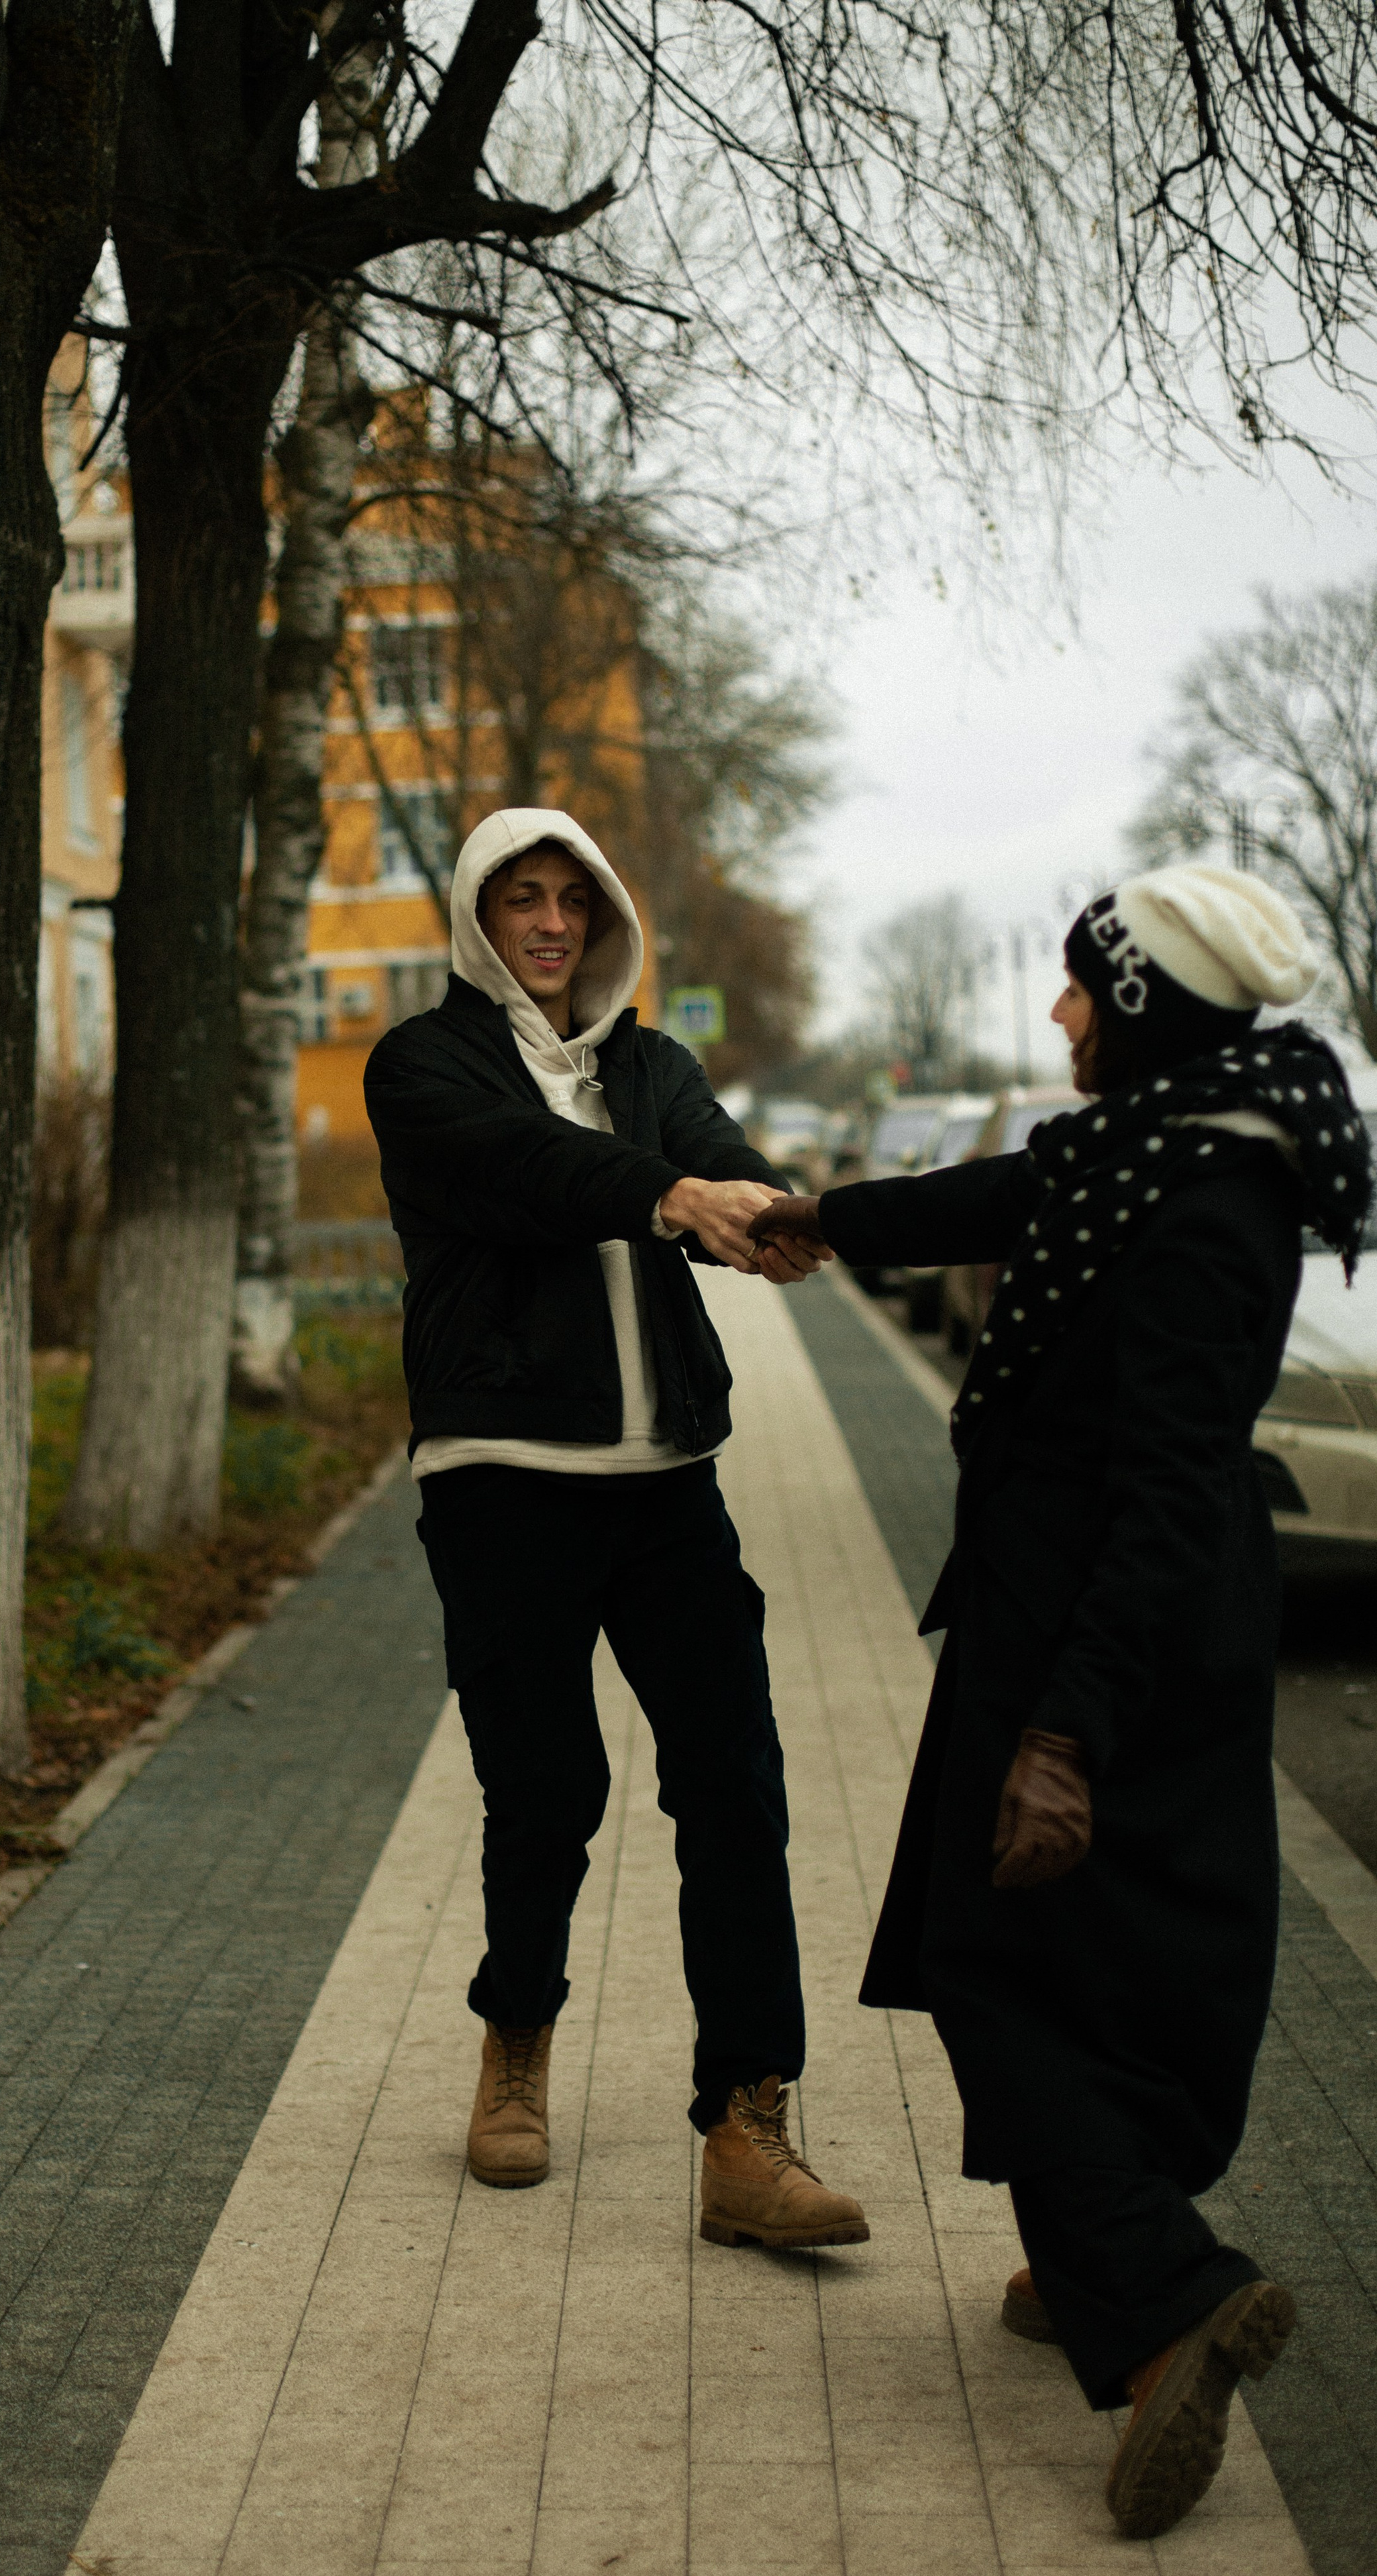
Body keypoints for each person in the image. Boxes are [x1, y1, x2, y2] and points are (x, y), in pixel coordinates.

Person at [753, 862, 1373, 2540]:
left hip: (1101, 1636)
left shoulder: (1198, 1206)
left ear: (1146, 1008)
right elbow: (1006, 1191)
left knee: (984, 1951)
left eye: (1080, 991)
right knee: (1098, 1952)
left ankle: (1165, 2298)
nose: (1058, 1017)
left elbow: (1168, 1486)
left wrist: (1058, 1733)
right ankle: (1087, 2252)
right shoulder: (1158, 1146)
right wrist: (813, 1215)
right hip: (1111, 1622)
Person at [364, 805, 869, 2252]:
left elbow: (719, 1157)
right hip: (503, 1478)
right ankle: (514, 2039)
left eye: (568, 902)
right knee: (547, 1793)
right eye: (518, 899)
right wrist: (667, 1196)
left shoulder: (651, 1067)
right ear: (477, 917)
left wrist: (782, 1217)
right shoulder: (424, 1065)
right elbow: (532, 1179)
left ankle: (747, 2126)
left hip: (666, 1488)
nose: (546, 925)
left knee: (735, 1785)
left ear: (596, 920)